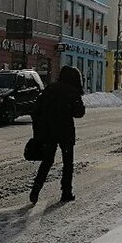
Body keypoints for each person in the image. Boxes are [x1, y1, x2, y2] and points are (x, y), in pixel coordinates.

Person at [30, 64, 86, 204]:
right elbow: (79, 113)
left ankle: (36, 188)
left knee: (47, 161)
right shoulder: (72, 91)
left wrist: (39, 131)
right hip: (65, 132)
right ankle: (66, 192)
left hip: (49, 131)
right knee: (68, 163)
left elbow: (37, 110)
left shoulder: (50, 88)